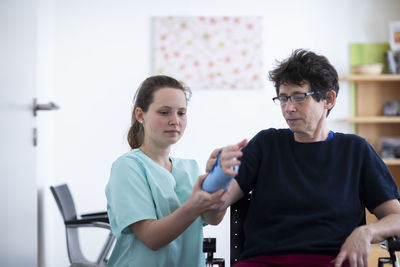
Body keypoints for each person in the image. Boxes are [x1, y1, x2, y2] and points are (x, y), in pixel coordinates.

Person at [218, 49, 400, 267]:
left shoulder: (355, 150)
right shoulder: (266, 145)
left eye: (298, 97)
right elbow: (216, 206)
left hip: (331, 261)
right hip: (263, 261)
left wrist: (367, 231)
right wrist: (217, 176)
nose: (288, 108)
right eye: (283, 98)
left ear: (329, 99)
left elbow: (396, 218)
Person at [105, 75, 242, 267]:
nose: (175, 121)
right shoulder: (127, 167)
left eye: (181, 113)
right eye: (164, 112)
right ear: (140, 115)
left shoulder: (189, 167)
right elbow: (151, 238)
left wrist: (220, 179)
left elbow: (213, 218)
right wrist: (193, 206)